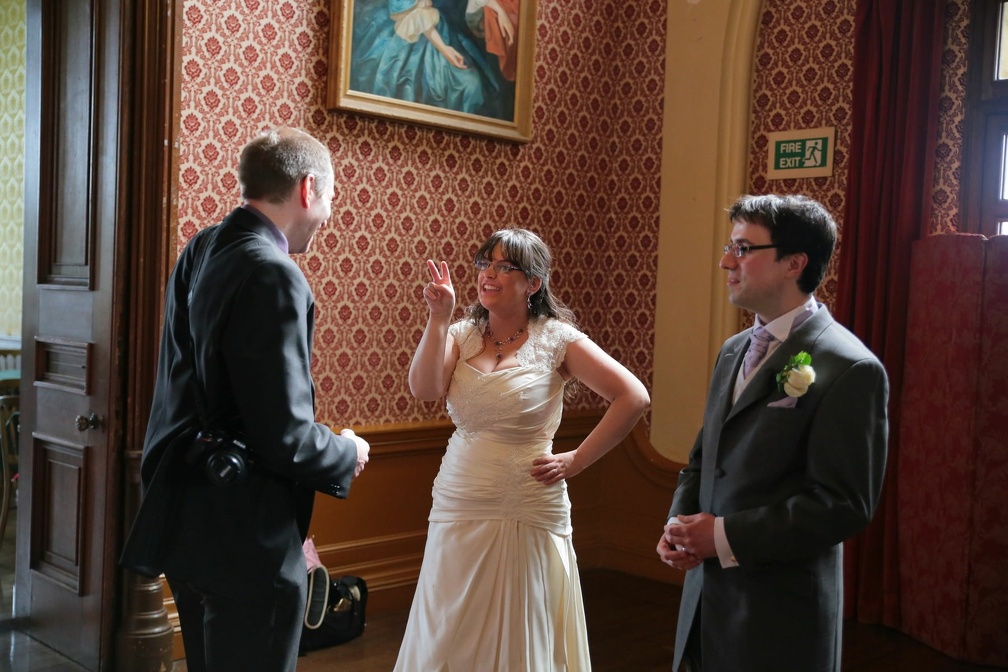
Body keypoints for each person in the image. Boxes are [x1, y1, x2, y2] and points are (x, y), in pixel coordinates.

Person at [120, 127, 370, 672]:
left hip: (185, 512)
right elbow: (286, 436)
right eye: (330, 196)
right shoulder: (273, 273)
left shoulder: (203, 246)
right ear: (308, 188)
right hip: (245, 532)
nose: (329, 214)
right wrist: (347, 451)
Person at [395, 227, 650, 670]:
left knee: (521, 616)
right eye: (484, 263)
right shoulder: (462, 334)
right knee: (448, 616)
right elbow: (425, 389)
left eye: (504, 267)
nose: (488, 274)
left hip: (528, 498)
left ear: (533, 283)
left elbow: (633, 397)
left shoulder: (558, 339)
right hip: (461, 494)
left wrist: (577, 460)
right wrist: (438, 319)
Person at [656, 194, 889, 672]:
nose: (726, 262)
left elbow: (843, 504)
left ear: (794, 263)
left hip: (780, 615)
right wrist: (679, 526)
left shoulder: (850, 367)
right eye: (730, 247)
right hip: (706, 603)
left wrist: (722, 536)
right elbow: (703, 459)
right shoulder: (733, 350)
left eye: (743, 249)